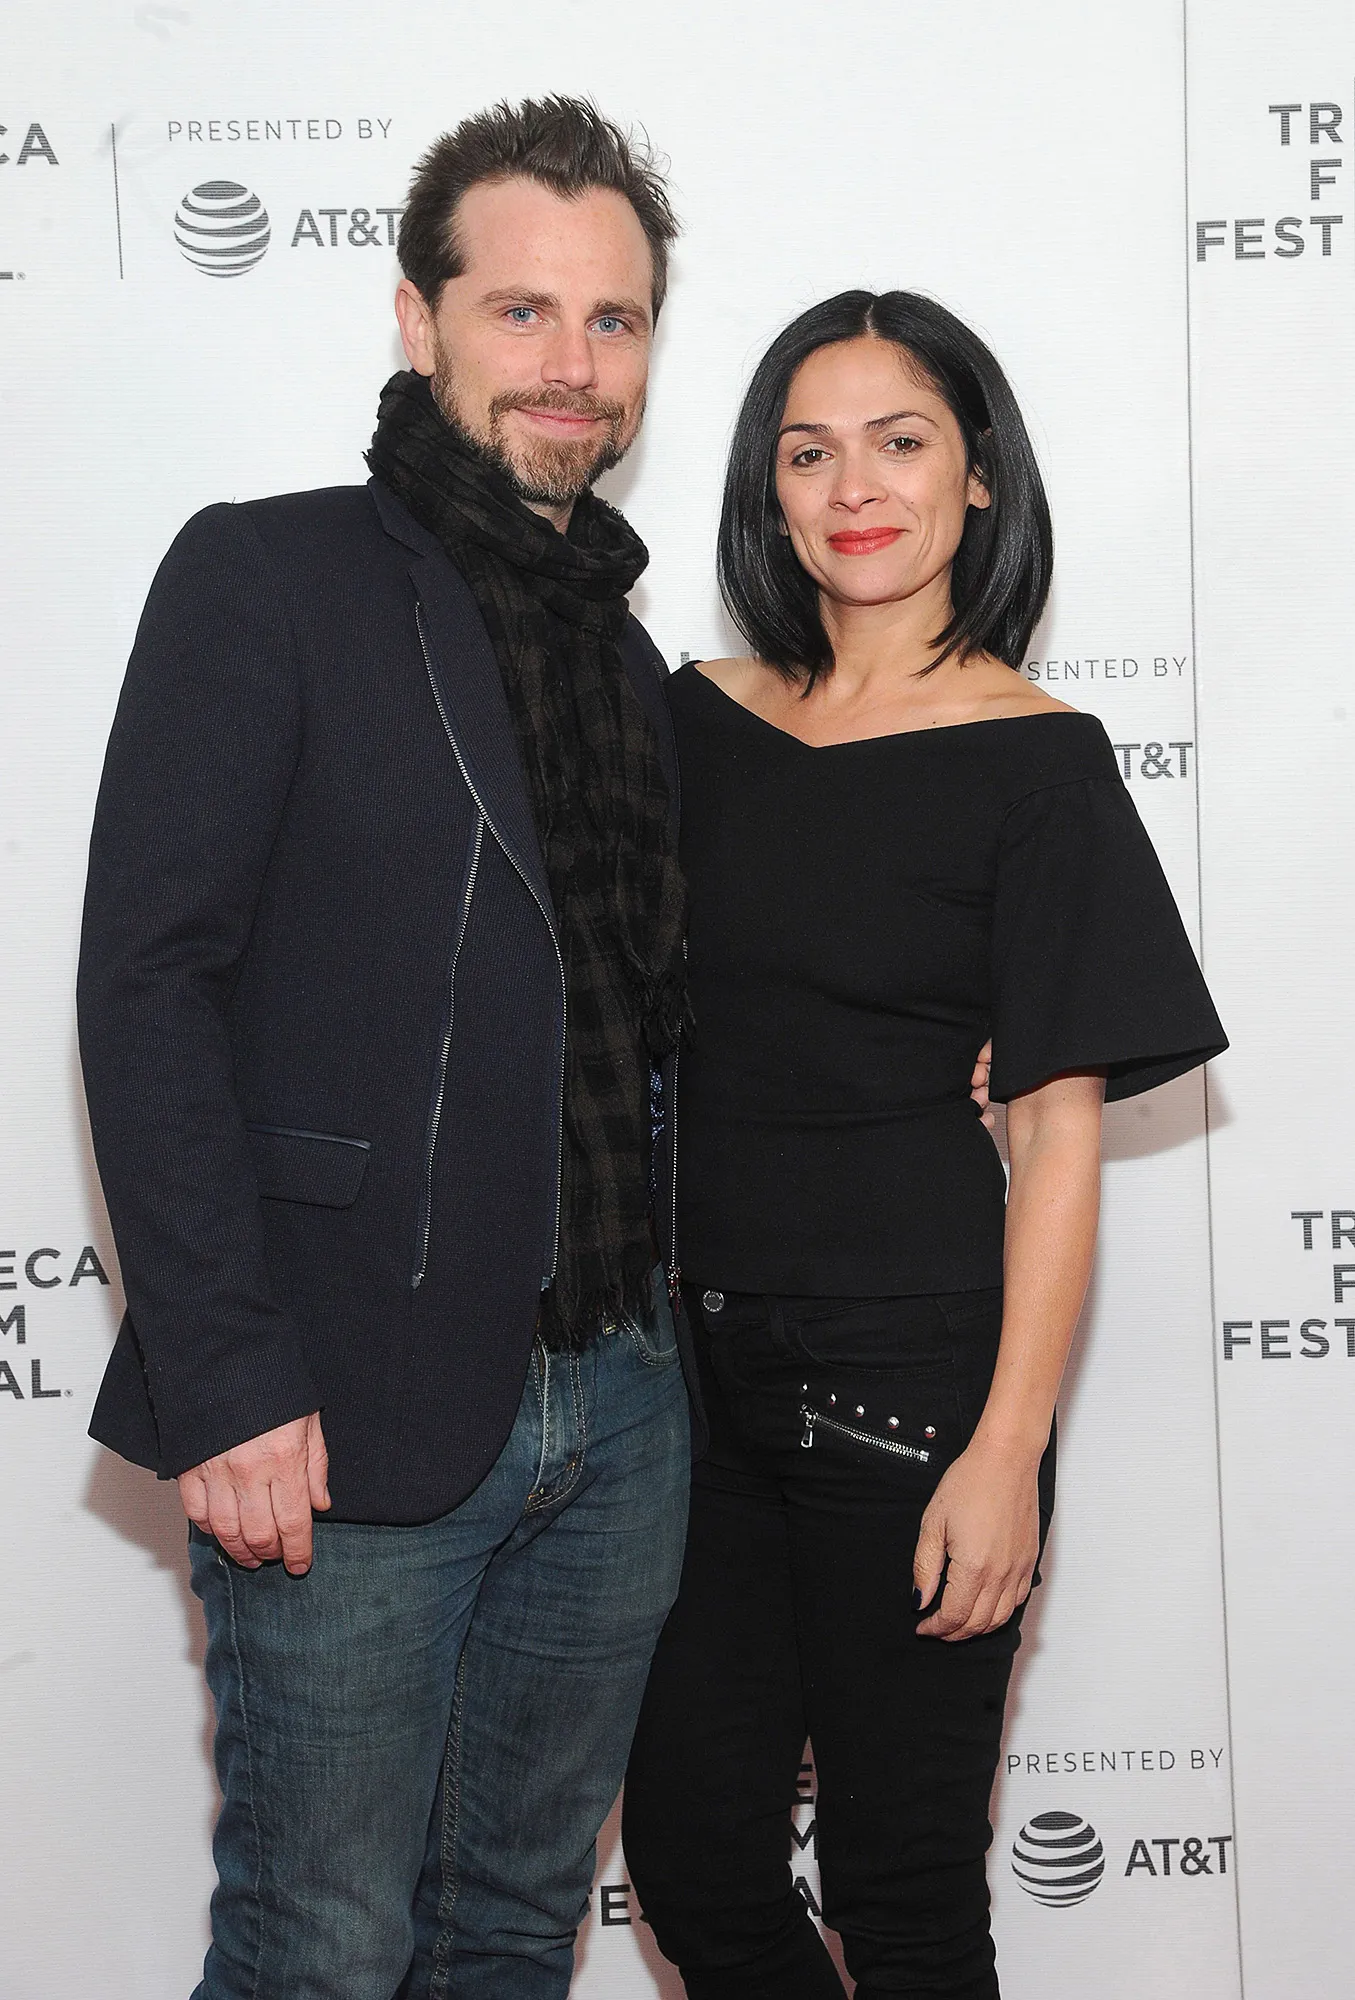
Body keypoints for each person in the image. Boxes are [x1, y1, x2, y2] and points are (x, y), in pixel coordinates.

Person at [78, 97, 696, 2000]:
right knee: (321, 1951)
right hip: (335, 1411)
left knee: (508, 1932)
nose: (570, 364)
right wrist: (225, 1377)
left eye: (610, 319)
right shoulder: (268, 576)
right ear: (418, 321)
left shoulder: (628, 659)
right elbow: (147, 986)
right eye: (520, 311)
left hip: (619, 1409)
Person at [621, 290, 1227, 1999]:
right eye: (806, 452)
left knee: (900, 1899)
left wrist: (1005, 1450)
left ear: (976, 477)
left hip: (909, 1382)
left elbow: (1054, 1138)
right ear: (765, 488)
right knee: (692, 1864)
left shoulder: (1037, 764)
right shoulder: (693, 719)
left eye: (899, 443)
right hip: (678, 1379)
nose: (852, 489)